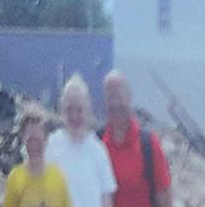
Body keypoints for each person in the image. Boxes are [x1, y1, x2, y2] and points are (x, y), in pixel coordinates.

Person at [98, 72, 170, 207]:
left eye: (119, 97)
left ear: (129, 98)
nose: (115, 104)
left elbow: (164, 196)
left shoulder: (149, 145)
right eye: (110, 98)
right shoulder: (97, 143)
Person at [44, 76, 115, 207]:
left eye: (79, 109)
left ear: (88, 109)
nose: (74, 116)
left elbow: (107, 198)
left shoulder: (99, 150)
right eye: (69, 109)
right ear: (62, 109)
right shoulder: (52, 144)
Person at [1, 107, 70, 207]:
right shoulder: (15, 178)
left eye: (38, 140)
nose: (34, 145)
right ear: (23, 140)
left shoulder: (58, 178)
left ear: (46, 140)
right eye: (30, 140)